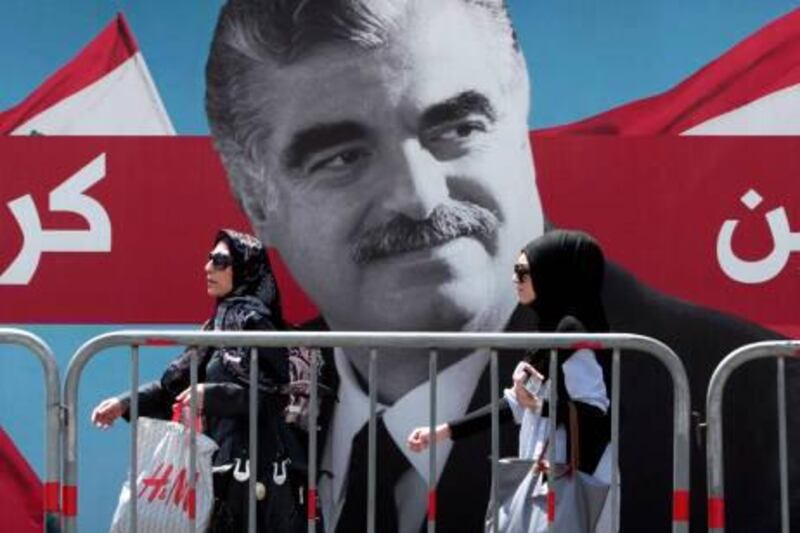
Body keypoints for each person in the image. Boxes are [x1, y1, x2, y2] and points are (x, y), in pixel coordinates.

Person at [204, 1, 795, 532]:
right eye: (342, 158)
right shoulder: (240, 400)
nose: (420, 196)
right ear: (256, 200)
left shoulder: (751, 400)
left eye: (457, 128)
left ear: (520, 121)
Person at [90, 229, 304, 532]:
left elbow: (270, 396)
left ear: (245, 267)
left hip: (257, 476)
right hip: (217, 471)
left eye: (220, 261)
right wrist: (124, 403)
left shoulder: (258, 325)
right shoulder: (216, 326)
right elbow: (172, 390)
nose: (208, 268)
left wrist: (211, 394)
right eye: (209, 259)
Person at [408, 230, 616, 531]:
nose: (515, 280)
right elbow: (516, 404)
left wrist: (541, 406)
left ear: (551, 274)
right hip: (547, 476)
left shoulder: (574, 337)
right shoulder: (550, 333)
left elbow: (595, 413)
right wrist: (444, 431)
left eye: (523, 272)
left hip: (576, 478)